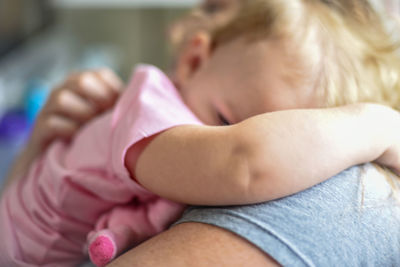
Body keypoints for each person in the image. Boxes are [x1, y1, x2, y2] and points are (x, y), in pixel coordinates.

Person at [2, 0, 400, 267]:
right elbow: (244, 163)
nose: (220, 140)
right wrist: (375, 125)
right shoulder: (149, 106)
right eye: (228, 124)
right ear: (194, 60)